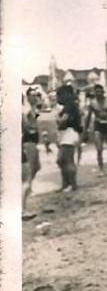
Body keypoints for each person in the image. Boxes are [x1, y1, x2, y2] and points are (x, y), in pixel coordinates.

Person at [85, 84, 107, 173]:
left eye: (100, 91)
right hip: (98, 125)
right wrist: (85, 129)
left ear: (103, 91)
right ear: (94, 93)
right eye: (97, 92)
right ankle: (101, 168)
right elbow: (88, 117)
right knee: (99, 149)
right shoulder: (92, 103)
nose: (99, 93)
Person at [55, 83, 82, 191]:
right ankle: (66, 184)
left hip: (69, 133)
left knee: (64, 159)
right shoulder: (70, 105)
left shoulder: (69, 105)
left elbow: (63, 121)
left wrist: (56, 117)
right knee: (65, 160)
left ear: (65, 95)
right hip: (68, 133)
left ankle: (71, 184)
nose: (58, 98)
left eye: (59, 95)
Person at [21, 91, 41, 219]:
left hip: (28, 141)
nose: (34, 97)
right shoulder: (25, 110)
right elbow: (27, 127)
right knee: (26, 178)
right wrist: (35, 128)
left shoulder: (30, 109)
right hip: (27, 141)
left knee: (36, 166)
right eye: (31, 95)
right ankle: (22, 209)